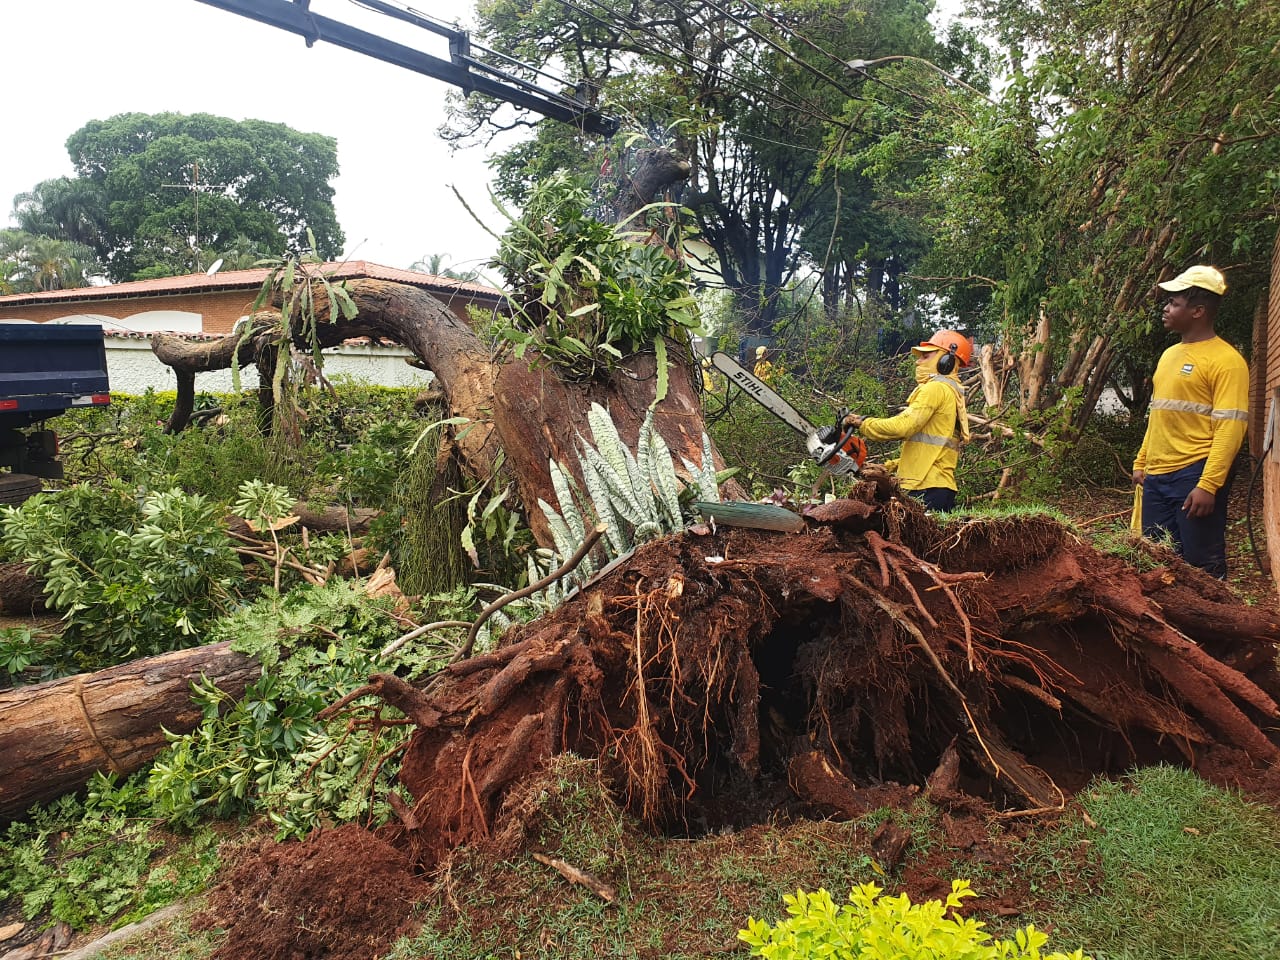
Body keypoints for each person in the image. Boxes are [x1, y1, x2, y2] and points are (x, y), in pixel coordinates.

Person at [1132, 265, 1247, 579]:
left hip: (1194, 474)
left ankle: (1213, 625)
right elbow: (1159, 414)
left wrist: (1208, 485)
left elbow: (1231, 428)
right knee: (1157, 561)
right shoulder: (1169, 356)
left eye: (1174, 303)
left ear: (1198, 311)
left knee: (1201, 566)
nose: (1166, 309)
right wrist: (1143, 460)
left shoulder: (1226, 361)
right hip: (1157, 476)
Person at [845, 330, 972, 512]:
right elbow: (930, 450)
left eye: (925, 356)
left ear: (946, 360)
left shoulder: (935, 389)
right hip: (935, 486)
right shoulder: (951, 393)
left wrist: (861, 422)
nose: (918, 361)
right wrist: (889, 466)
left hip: (925, 487)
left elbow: (903, 427)